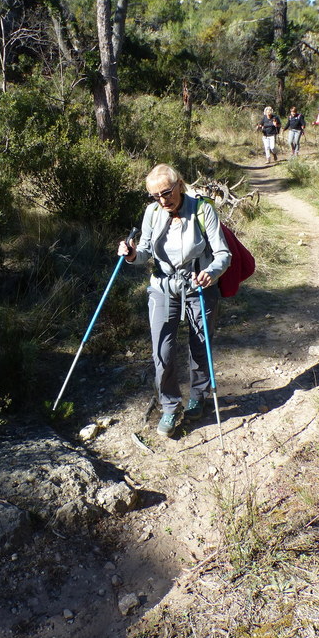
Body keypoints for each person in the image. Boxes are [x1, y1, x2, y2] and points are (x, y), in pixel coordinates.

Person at [117, 164, 231, 439]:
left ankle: (199, 397)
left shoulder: (203, 210)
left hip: (199, 285)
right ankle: (169, 405)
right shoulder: (152, 213)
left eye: (166, 193)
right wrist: (131, 254)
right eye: (155, 196)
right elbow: (144, 251)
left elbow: (223, 254)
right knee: (161, 350)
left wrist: (211, 273)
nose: (162, 200)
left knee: (200, 345)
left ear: (179, 184)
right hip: (162, 287)